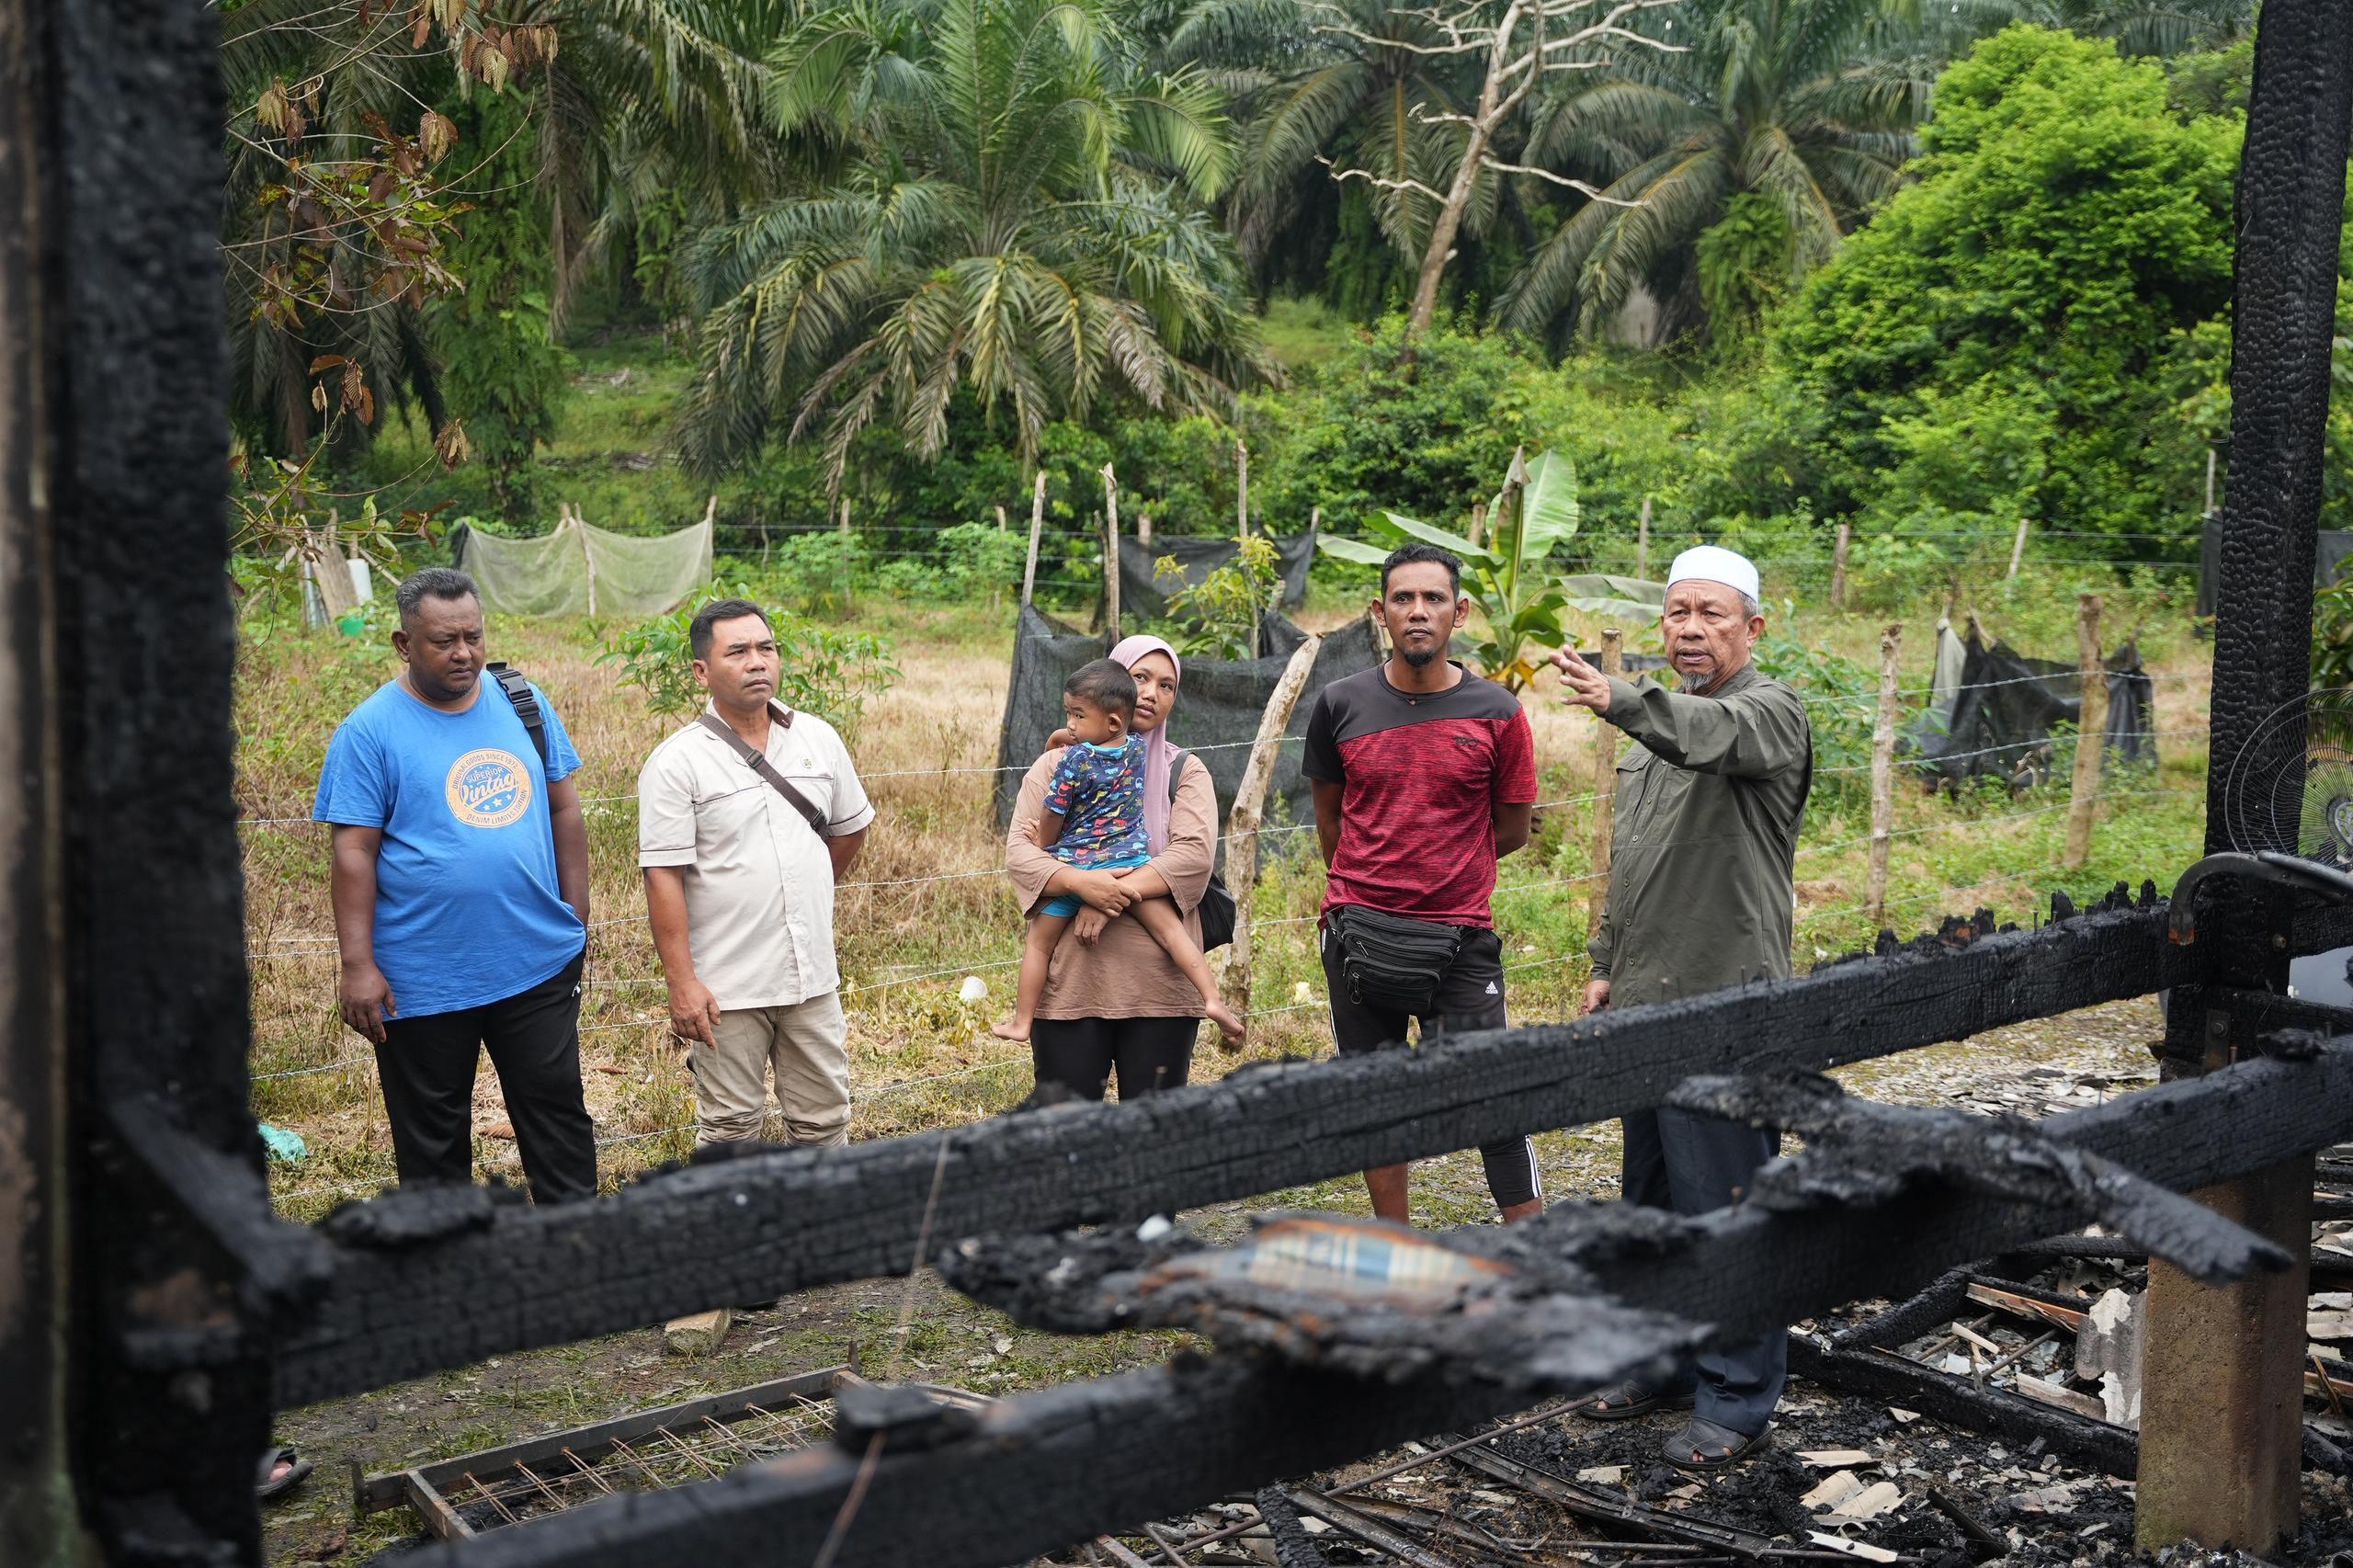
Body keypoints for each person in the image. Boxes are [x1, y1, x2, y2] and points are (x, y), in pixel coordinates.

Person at [1551, 544, 1813, 1471]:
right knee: (1653, 1198)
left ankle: (1738, 1395)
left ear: (1752, 627)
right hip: (1647, 999)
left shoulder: (1765, 713)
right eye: (1676, 613)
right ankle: (1660, 1360)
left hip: (1725, 1001)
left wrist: (1620, 695)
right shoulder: (1654, 738)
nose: (1690, 628)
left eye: (1710, 612)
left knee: (1727, 1204)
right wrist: (1604, 960)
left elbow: (1707, 735)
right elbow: (1633, 860)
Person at [314, 567, 597, 1203]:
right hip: (421, 975)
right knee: (433, 1137)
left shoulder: (522, 700)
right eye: (444, 640)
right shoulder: (370, 731)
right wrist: (358, 964)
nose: (463, 652)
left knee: (556, 1117)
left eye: (472, 634)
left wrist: (574, 912)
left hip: (533, 959)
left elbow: (563, 809)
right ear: (403, 643)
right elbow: (353, 851)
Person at [1302, 542, 1541, 1226]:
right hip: (1357, 935)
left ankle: (1536, 1260)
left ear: (1458, 611)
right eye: (1402, 598)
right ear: (1380, 612)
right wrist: (1375, 883)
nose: (1417, 612)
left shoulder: (1498, 712)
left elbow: (1513, 829)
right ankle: (1394, 1247)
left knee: (1494, 1103)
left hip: (1461, 941)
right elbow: (1331, 823)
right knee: (1377, 1105)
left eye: (1433, 598)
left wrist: (1441, 869)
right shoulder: (1339, 704)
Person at [637, 598, 875, 1149]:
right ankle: (736, 1236)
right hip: (726, 986)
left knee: (823, 1121)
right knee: (730, 1129)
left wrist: (804, 886)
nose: (757, 662)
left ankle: (820, 1232)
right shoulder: (678, 762)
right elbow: (663, 877)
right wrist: (682, 984)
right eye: (738, 652)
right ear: (702, 671)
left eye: (766, 648)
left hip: (810, 976)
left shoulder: (818, 738)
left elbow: (849, 829)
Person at [1004, 635, 1220, 1101]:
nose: (1150, 693)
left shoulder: (1185, 769)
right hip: (1072, 986)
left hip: (1159, 988)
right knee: (1068, 1130)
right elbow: (1021, 853)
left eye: (1167, 685)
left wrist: (1106, 896)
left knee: (1153, 1133)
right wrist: (1084, 884)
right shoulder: (1056, 763)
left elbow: (1192, 858)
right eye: (1139, 677)